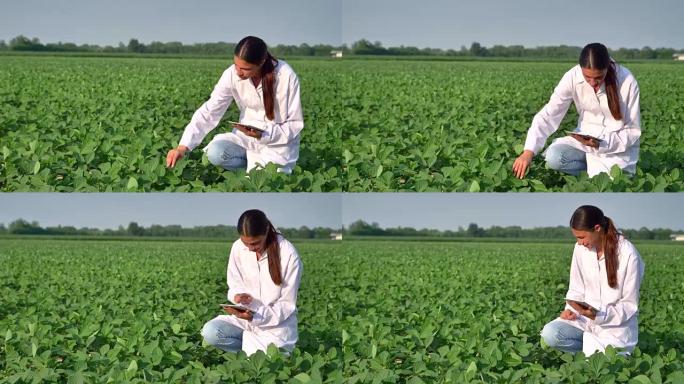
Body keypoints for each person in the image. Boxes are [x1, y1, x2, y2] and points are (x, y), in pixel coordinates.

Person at [166, 36, 304, 174]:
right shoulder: (232, 74)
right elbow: (210, 111)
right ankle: (248, 170)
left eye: (245, 68)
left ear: (261, 62)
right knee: (215, 153)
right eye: (236, 65)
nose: (238, 72)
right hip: (245, 140)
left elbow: (294, 124)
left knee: (268, 180)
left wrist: (263, 135)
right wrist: (182, 148)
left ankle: (254, 172)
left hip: (276, 146)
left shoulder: (285, 76)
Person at [513, 43, 641, 179]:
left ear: (607, 67)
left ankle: (594, 177)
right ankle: (588, 174)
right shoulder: (572, 77)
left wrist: (602, 143)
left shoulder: (626, 81)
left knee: (612, 182)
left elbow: (632, 131)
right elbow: (549, 114)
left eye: (598, 78)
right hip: (584, 142)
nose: (592, 83)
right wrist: (528, 152)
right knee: (554, 157)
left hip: (616, 148)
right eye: (587, 77)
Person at [540, 205, 645, 356]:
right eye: (576, 237)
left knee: (607, 364)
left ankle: (595, 355)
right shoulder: (580, 248)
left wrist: (598, 315)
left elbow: (629, 305)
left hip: (614, 328)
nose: (580, 242)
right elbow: (576, 288)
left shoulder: (628, 254)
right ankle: (590, 354)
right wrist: (570, 310)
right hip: (583, 321)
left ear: (597, 228)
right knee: (551, 333)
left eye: (582, 237)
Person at [200, 209, 303, 355]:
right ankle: (247, 353)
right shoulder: (238, 247)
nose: (250, 248)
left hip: (276, 327)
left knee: (270, 362)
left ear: (267, 230)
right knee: (211, 332)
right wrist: (237, 296)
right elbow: (234, 282)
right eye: (246, 243)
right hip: (245, 321)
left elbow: (287, 305)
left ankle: (257, 354)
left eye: (255, 243)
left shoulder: (288, 254)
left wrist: (257, 316)